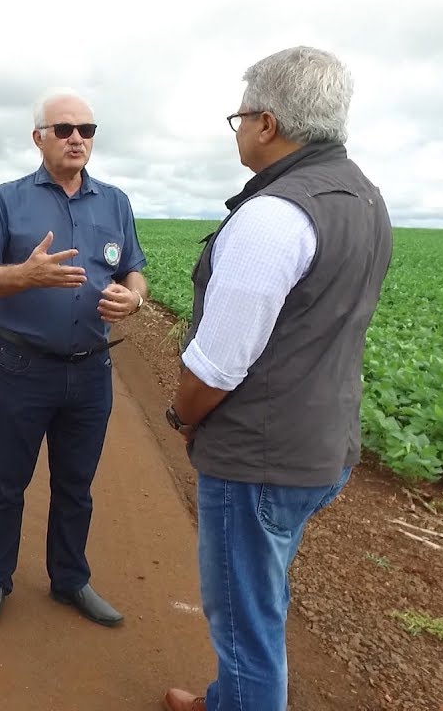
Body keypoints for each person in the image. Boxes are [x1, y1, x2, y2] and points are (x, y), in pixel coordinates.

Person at [162, 46, 393, 711]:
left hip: (258, 458)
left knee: (244, 623)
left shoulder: (274, 215)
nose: (236, 131)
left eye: (239, 118)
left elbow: (217, 363)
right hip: (323, 447)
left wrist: (184, 417)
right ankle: (224, 699)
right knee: (260, 593)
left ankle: (243, 697)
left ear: (266, 123)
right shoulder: (365, 199)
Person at [0, 88, 149, 631]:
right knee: (6, 482)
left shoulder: (115, 202)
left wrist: (132, 298)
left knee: (76, 484)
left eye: (86, 131)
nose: (76, 139)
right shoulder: (8, 199)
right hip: (22, 368)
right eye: (64, 129)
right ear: (38, 137)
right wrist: (25, 274)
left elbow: (132, 271)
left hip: (91, 369)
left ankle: (70, 579)